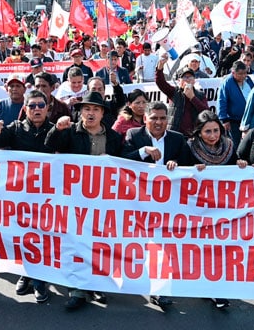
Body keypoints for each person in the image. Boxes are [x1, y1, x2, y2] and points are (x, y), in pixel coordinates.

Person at [46, 91, 123, 311]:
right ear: (80, 112)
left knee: (98, 244)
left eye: (95, 109)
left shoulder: (114, 137)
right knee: (75, 244)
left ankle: (96, 285)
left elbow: (125, 162)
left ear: (102, 114)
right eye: (87, 109)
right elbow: (49, 145)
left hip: (103, 201)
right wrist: (57, 128)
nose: (91, 113)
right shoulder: (70, 131)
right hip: (74, 199)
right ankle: (77, 290)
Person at [120, 101, 190, 312]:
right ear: (145, 119)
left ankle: (160, 290)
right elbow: (122, 161)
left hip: (168, 204)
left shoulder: (177, 138)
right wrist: (143, 151)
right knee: (141, 244)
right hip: (139, 202)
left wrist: (176, 164)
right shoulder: (133, 135)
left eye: (162, 118)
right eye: (154, 118)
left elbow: (188, 164)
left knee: (162, 246)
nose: (159, 122)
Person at [0, 89, 54, 304]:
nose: (36, 109)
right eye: (32, 106)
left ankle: (40, 280)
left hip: (47, 196)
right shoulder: (15, 128)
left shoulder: (55, 130)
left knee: (42, 238)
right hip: (21, 195)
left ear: (47, 108)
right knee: (23, 237)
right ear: (25, 109)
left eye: (40, 105)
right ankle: (26, 274)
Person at [155, 55, 208, 137]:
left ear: (194, 80)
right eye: (185, 77)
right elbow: (160, 82)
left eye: (190, 77)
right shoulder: (174, 92)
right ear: (179, 81)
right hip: (175, 134)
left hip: (194, 135)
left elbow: (206, 112)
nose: (188, 80)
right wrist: (160, 67)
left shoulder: (200, 95)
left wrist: (193, 98)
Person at [217, 61, 254, 146]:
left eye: (245, 73)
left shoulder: (248, 80)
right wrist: (224, 119)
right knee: (236, 144)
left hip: (249, 118)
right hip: (234, 120)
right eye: (240, 74)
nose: (243, 76)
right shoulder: (227, 82)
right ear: (233, 73)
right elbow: (222, 101)